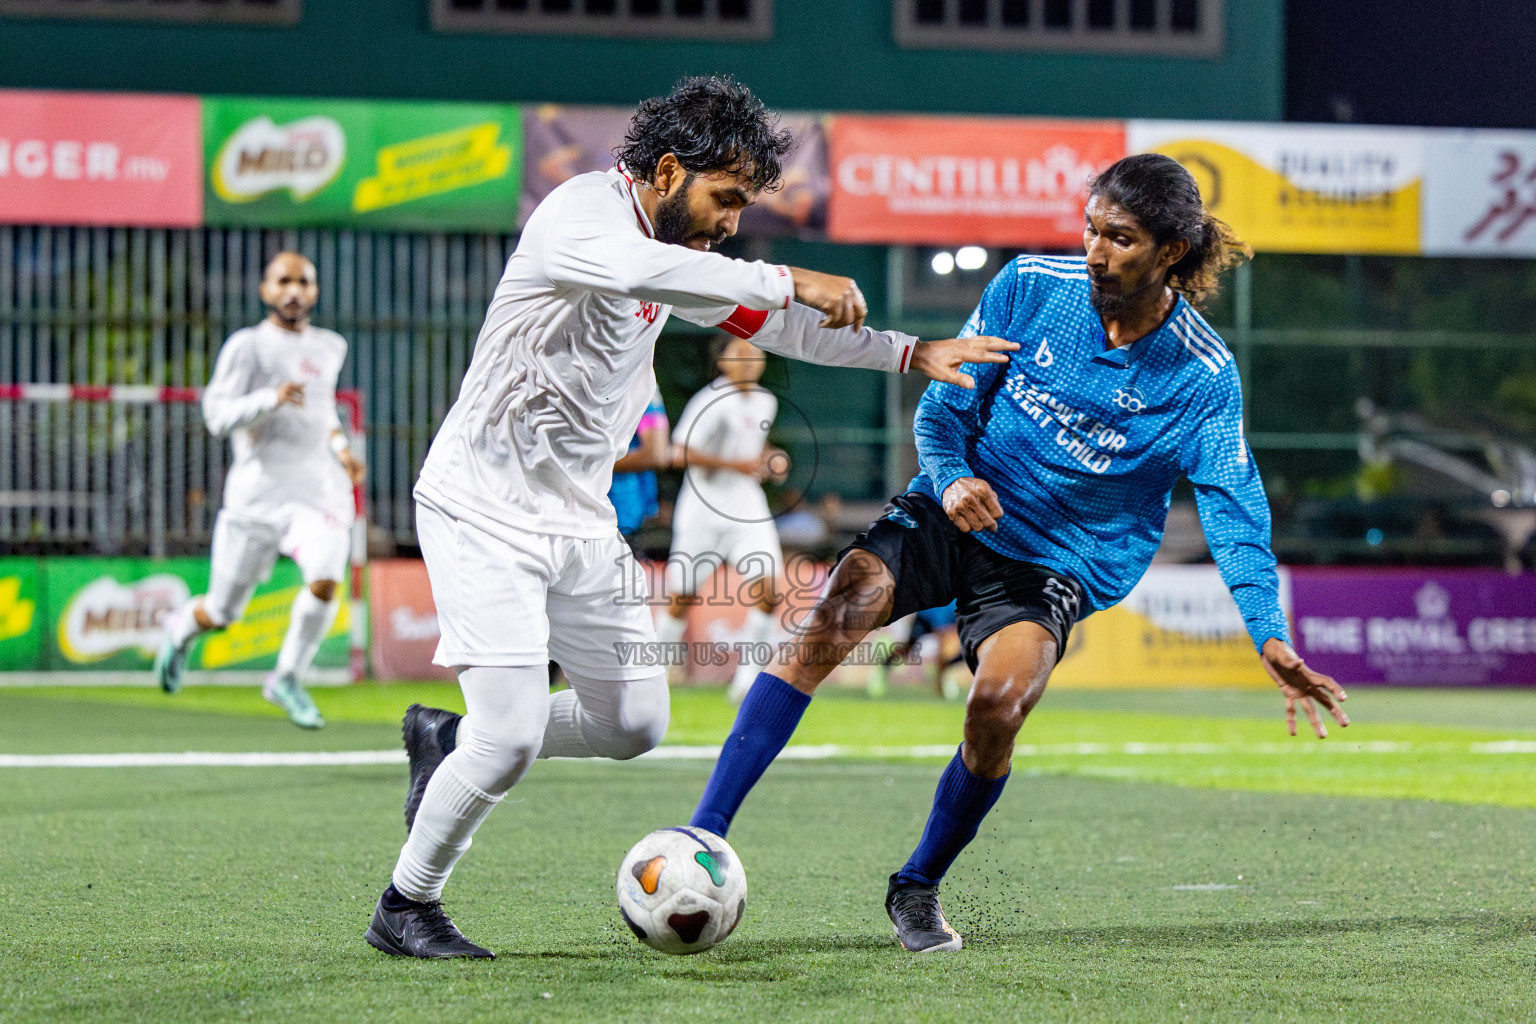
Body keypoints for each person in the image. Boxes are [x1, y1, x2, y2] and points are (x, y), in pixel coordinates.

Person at [364, 75, 1015, 960]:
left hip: (578, 516)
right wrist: (789, 272)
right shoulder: (580, 216)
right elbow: (659, 272)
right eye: (726, 198)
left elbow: (779, 325)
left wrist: (908, 351)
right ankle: (408, 904)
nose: (732, 221)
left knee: (634, 724)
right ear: (667, 170)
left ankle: (446, 741)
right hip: (482, 505)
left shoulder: (681, 256)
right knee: (512, 733)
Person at [683, 153, 1351, 954]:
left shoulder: (1203, 376)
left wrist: (1267, 631)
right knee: (836, 613)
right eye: (1091, 229)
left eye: (1123, 239)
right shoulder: (1033, 285)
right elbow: (941, 409)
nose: (1097, 252)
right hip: (953, 504)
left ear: (1172, 251)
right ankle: (704, 836)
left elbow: (1234, 511)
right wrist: (956, 476)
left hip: (1056, 561)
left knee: (997, 708)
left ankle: (918, 885)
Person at [152, 252, 365, 729]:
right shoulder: (247, 347)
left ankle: (287, 677)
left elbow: (323, 409)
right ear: (266, 290)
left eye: (303, 282)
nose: (294, 291)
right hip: (256, 498)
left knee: (327, 579)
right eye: (283, 281)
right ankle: (182, 628)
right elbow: (215, 415)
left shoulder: (331, 346)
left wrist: (340, 446)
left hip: (316, 492)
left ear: (315, 291)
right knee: (223, 610)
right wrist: (268, 398)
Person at [656, 335, 788, 703]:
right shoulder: (710, 401)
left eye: (756, 352)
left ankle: (748, 682)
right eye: (741, 352)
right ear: (723, 361)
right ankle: (654, 675)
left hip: (747, 506)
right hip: (703, 508)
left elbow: (752, 447)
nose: (750, 359)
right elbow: (677, 452)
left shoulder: (765, 400)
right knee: (681, 597)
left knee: (769, 590)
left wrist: (770, 458)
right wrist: (737, 465)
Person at [609, 377, 670, 558]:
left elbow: (656, 454)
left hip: (618, 513)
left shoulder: (639, 381)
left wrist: (583, 466)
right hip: (570, 510)